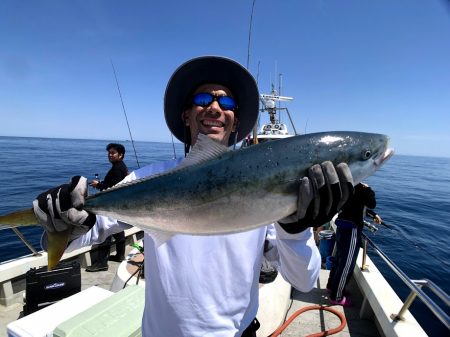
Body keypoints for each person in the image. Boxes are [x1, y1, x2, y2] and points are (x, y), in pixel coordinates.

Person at [32, 56, 355, 337]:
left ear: (235, 122)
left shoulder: (266, 187)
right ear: (186, 115)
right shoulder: (146, 179)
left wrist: (297, 229)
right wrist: (60, 223)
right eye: (203, 99)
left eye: (226, 103)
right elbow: (73, 241)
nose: (215, 107)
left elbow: (304, 278)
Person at [326, 182, 381, 306]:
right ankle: (337, 297)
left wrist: (373, 215)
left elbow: (355, 205)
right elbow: (372, 203)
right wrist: (369, 189)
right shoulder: (362, 188)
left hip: (341, 227)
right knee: (347, 265)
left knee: (339, 260)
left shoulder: (346, 185)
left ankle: (331, 287)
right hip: (351, 231)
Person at [87, 143, 129, 271]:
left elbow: (111, 188)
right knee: (117, 229)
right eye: (109, 153)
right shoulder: (121, 167)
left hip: (111, 204)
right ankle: (120, 255)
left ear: (120, 155)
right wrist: (101, 184)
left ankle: (101, 263)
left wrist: (98, 184)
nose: (110, 155)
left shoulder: (117, 169)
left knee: (104, 231)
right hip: (119, 204)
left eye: (113, 153)